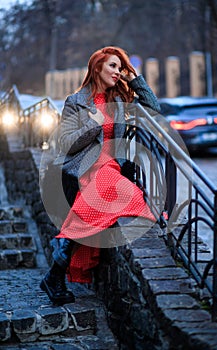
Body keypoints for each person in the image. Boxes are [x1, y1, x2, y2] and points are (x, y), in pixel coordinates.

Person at [40, 46, 160, 305]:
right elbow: (66, 144)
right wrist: (92, 123)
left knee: (105, 191)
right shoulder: (76, 102)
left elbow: (153, 109)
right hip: (82, 168)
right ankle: (56, 269)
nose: (117, 72)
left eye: (120, 67)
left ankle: (56, 270)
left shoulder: (118, 100)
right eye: (113, 66)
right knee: (124, 193)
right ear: (97, 68)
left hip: (110, 167)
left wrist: (135, 79)